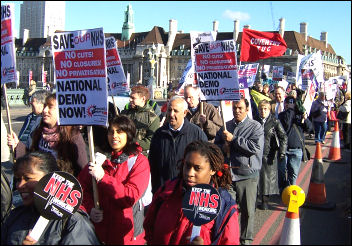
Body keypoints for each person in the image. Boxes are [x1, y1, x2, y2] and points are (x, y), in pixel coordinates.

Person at [144, 140, 240, 245]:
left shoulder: (224, 206)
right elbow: (148, 228)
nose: (190, 173)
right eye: (187, 166)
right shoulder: (167, 191)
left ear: (212, 170)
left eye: (197, 168)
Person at [78, 115, 150, 245]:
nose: (114, 136)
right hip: (99, 234)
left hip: (127, 236)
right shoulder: (99, 158)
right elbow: (81, 187)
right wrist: (89, 208)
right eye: (111, 132)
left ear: (129, 134)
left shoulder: (139, 162)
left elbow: (129, 197)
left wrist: (103, 178)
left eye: (119, 132)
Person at [1, 151, 100, 245]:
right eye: (18, 179)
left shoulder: (73, 222)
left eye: (28, 178)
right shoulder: (15, 216)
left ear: (50, 179)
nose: (20, 185)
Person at [214, 98, 264, 245]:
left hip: (247, 175)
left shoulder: (256, 127)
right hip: (228, 175)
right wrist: (223, 148)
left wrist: (234, 139)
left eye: (240, 108)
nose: (237, 111)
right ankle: (229, 238)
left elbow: (255, 148)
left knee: (247, 211)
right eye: (235, 108)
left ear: (247, 109)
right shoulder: (226, 126)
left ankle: (245, 240)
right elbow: (216, 147)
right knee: (227, 210)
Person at [7, 93, 88, 177]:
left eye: (50, 107)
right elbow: (32, 157)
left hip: (61, 185)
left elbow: (82, 167)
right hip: (40, 184)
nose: (45, 110)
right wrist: (17, 145)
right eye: (45, 106)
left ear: (61, 110)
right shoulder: (39, 131)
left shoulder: (72, 135)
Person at [148, 96, 208, 193]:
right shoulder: (159, 134)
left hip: (187, 193)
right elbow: (153, 165)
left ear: (185, 113)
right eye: (169, 110)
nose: (171, 114)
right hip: (164, 193)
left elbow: (205, 164)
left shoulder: (196, 134)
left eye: (175, 111)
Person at [255, 99, 287, 210]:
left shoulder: (275, 121)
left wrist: (282, 152)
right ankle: (254, 200)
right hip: (255, 154)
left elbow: (283, 137)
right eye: (261, 109)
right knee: (256, 177)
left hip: (269, 154)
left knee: (266, 178)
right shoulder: (254, 121)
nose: (263, 111)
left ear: (269, 110)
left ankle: (265, 201)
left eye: (265, 109)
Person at [278, 96, 312, 193]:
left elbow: (309, 128)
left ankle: (291, 191)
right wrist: (290, 111)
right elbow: (287, 124)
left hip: (296, 149)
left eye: (291, 103)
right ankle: (282, 189)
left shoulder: (299, 115)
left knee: (293, 173)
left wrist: (305, 117)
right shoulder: (282, 115)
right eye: (287, 103)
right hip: (283, 149)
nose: (289, 105)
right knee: (281, 171)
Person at [121, 85, 160, 156]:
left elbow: (150, 142)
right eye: (130, 97)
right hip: (123, 154)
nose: (130, 100)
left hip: (140, 157)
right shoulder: (124, 113)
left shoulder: (153, 118)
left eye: (133, 98)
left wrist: (131, 141)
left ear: (143, 99)